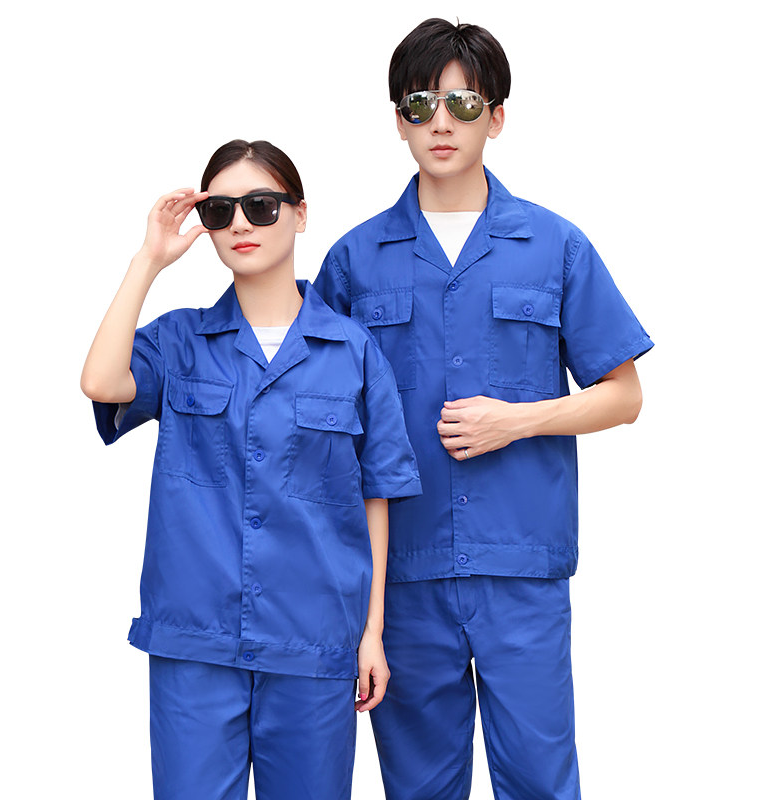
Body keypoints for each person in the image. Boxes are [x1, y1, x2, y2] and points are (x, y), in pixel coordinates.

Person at [314, 18, 653, 800]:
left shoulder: (555, 246)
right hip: (401, 577)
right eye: (421, 103)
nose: (442, 122)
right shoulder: (353, 262)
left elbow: (625, 394)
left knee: (540, 782)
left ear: (496, 118)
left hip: (520, 569)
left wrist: (520, 419)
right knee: (419, 789)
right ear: (399, 119)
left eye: (464, 104)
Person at [81, 139, 421, 800]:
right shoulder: (179, 340)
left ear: (300, 213)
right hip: (194, 643)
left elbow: (376, 496)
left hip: (314, 642)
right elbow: (100, 381)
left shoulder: (353, 352)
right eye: (221, 211)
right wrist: (149, 260)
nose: (241, 223)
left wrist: (371, 634)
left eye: (262, 206)